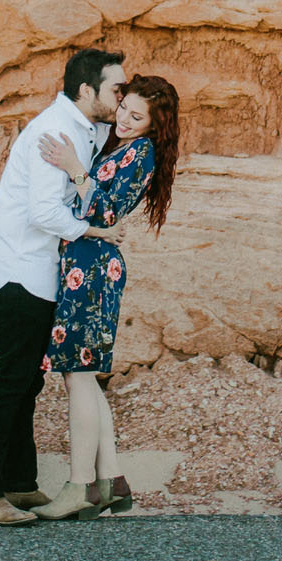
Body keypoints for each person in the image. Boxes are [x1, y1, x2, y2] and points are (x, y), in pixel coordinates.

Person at [0, 47, 125, 526]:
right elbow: (44, 212)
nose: (121, 96)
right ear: (86, 90)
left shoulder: (86, 130)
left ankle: (18, 483)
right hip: (18, 269)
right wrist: (96, 231)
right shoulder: (55, 131)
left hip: (39, 272)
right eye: (115, 88)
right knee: (11, 378)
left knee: (28, 381)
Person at [27, 72, 182, 521]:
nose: (125, 121)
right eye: (123, 110)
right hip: (85, 261)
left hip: (93, 267)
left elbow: (106, 210)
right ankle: (111, 480)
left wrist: (74, 166)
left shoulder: (143, 152)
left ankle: (79, 487)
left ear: (155, 125)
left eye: (138, 117)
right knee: (85, 375)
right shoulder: (120, 145)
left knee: (77, 373)